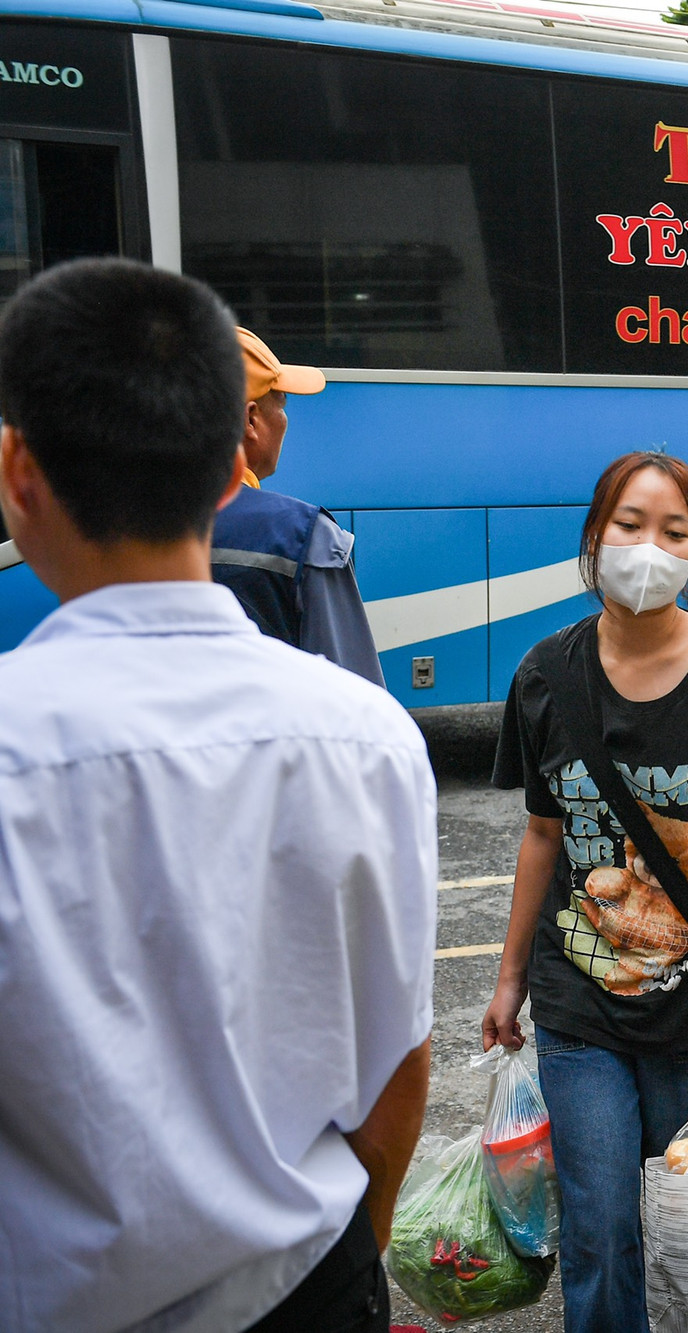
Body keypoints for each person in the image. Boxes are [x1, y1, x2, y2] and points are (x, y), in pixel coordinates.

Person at [0, 258, 436, 1332]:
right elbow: (397, 1065)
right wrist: (353, 1249)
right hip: (306, 1283)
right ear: (230, 458)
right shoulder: (365, 737)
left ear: (19, 472)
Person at [485, 451, 688, 1333]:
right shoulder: (545, 676)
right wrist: (510, 977)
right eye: (630, 524)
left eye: (675, 531)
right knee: (599, 1233)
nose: (649, 547)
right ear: (593, 538)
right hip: (579, 1011)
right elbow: (543, 835)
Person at [210, 327, 384, 685]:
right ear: (251, 420)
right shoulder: (304, 536)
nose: (286, 420)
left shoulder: (124, 532)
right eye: (283, 403)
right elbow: (353, 700)